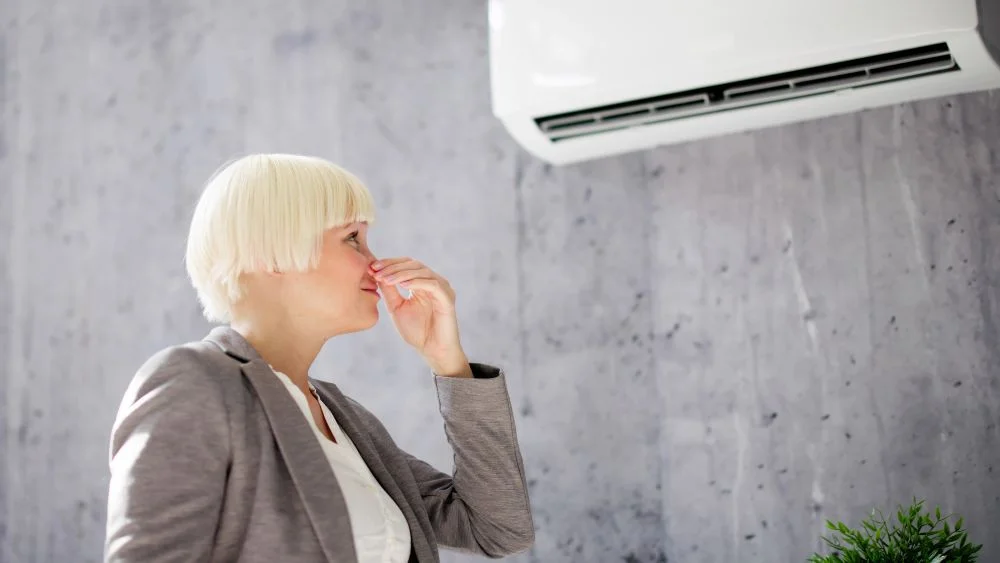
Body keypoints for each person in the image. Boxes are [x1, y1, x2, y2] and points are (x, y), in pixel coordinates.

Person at [104, 154, 535, 562]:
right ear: (269, 253)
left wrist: (449, 363)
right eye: (352, 238)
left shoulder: (348, 422)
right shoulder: (193, 384)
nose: (375, 263)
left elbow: (498, 529)